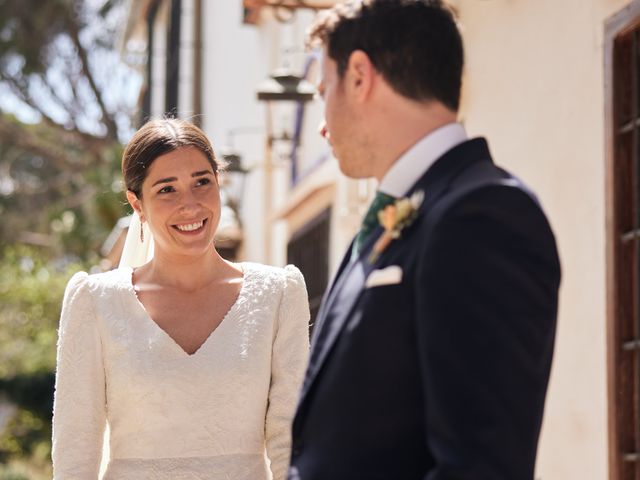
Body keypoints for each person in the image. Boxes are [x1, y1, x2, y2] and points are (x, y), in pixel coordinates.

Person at [288, 1, 561, 479]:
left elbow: (478, 466)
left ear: (359, 76)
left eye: (323, 89)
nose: (322, 122)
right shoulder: (390, 220)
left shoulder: (483, 215)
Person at [52, 118, 310, 480]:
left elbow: (291, 439)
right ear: (136, 203)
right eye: (166, 189)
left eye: (202, 182)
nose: (190, 204)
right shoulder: (96, 302)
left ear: (219, 183)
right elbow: (74, 455)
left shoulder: (278, 295)